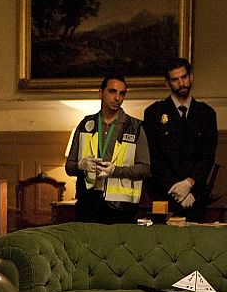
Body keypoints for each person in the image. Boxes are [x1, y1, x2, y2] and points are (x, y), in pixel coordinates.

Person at [65, 74, 150, 224]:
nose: (117, 98)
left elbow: (145, 169)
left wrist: (115, 170)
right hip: (88, 203)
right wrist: (80, 165)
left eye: (122, 94)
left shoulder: (135, 127)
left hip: (122, 208)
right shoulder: (86, 124)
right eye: (112, 92)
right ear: (100, 92)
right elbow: (69, 167)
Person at [143, 58, 218, 222]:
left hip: (195, 196)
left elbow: (207, 156)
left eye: (184, 77)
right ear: (167, 83)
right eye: (175, 79)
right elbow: (154, 157)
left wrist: (189, 184)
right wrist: (178, 191)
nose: (181, 83)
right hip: (164, 195)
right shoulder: (154, 113)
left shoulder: (206, 114)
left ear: (191, 77)